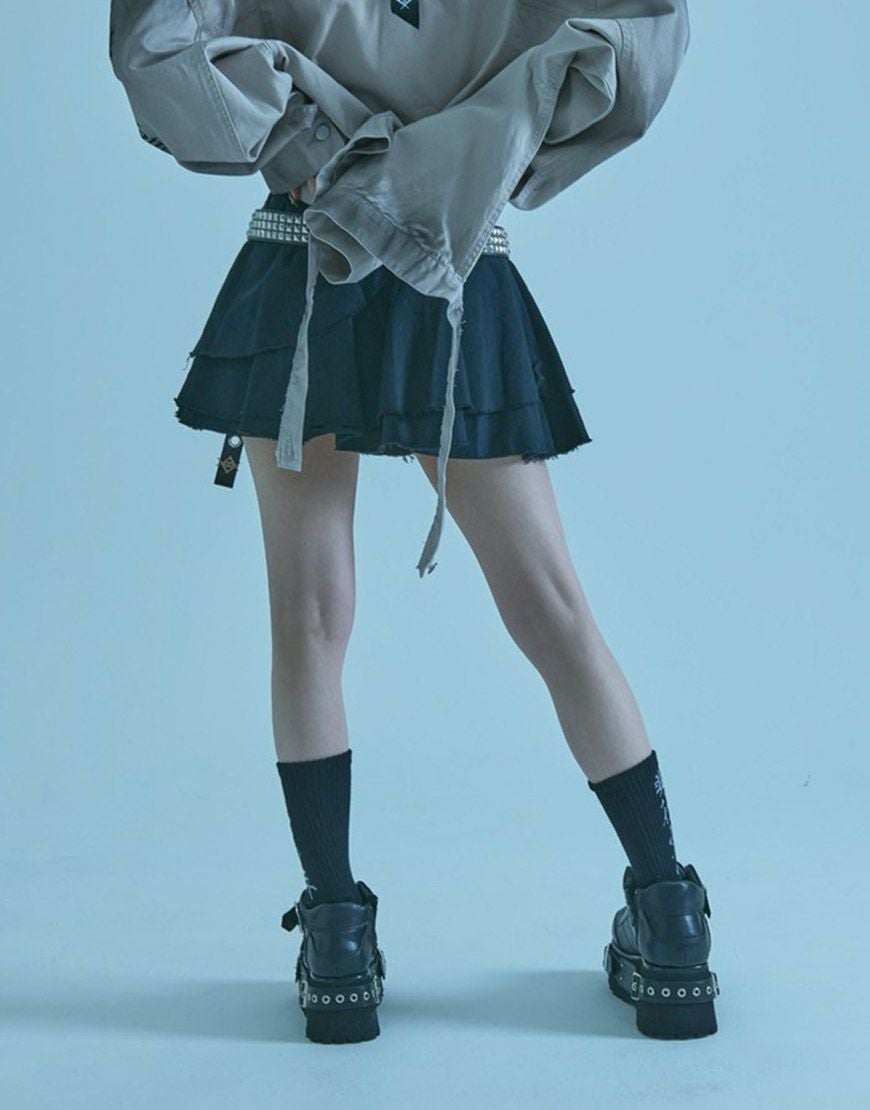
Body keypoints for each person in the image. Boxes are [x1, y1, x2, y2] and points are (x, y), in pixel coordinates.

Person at [114, 0, 716, 1047]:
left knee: (310, 618)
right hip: (455, 261)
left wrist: (307, 144)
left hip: (304, 253)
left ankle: (337, 945)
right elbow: (641, 41)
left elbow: (157, 44)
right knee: (554, 609)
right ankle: (672, 926)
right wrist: (490, 140)